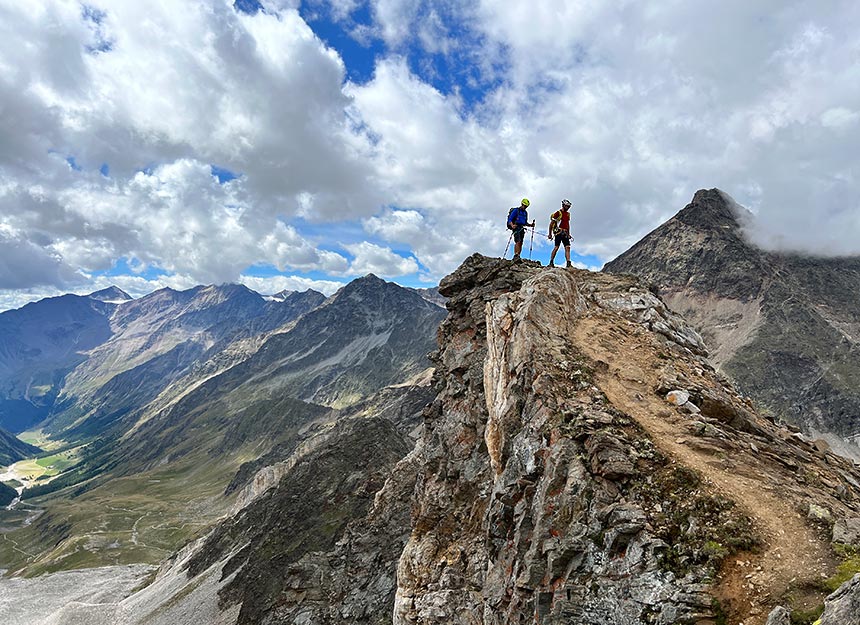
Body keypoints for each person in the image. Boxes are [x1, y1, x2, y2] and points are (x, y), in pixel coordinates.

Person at [547, 199, 573, 267]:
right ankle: (551, 262)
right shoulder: (558, 213)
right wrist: (550, 234)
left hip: (565, 232)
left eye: (568, 207)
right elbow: (551, 223)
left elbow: (567, 224)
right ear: (563, 205)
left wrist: (568, 233)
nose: (567, 208)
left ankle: (568, 263)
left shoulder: (568, 214)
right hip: (558, 232)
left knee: (567, 247)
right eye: (566, 206)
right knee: (556, 247)